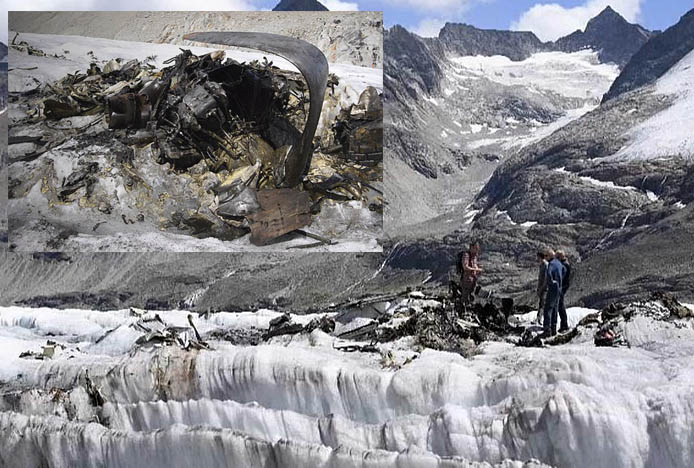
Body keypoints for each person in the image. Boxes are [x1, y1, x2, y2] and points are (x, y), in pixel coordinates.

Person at [542, 248, 566, 337]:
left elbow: (548, 274)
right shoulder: (559, 264)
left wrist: (551, 282)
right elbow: (564, 271)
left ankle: (547, 329)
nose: (545, 258)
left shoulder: (551, 264)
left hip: (553, 288)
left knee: (548, 308)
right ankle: (554, 328)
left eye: (546, 256)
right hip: (559, 288)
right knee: (555, 308)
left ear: (549, 256)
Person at [555, 250, 572, 332]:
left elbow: (561, 276)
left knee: (560, 305)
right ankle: (564, 325)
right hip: (563, 286)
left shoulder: (564, 265)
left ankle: (564, 325)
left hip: (562, 287)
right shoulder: (565, 264)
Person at [536, 250, 548, 323]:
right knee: (541, 303)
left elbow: (546, 278)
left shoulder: (546, 265)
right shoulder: (541, 265)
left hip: (545, 288)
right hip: (541, 288)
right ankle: (539, 319)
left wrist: (541, 288)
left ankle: (539, 319)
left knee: (542, 304)